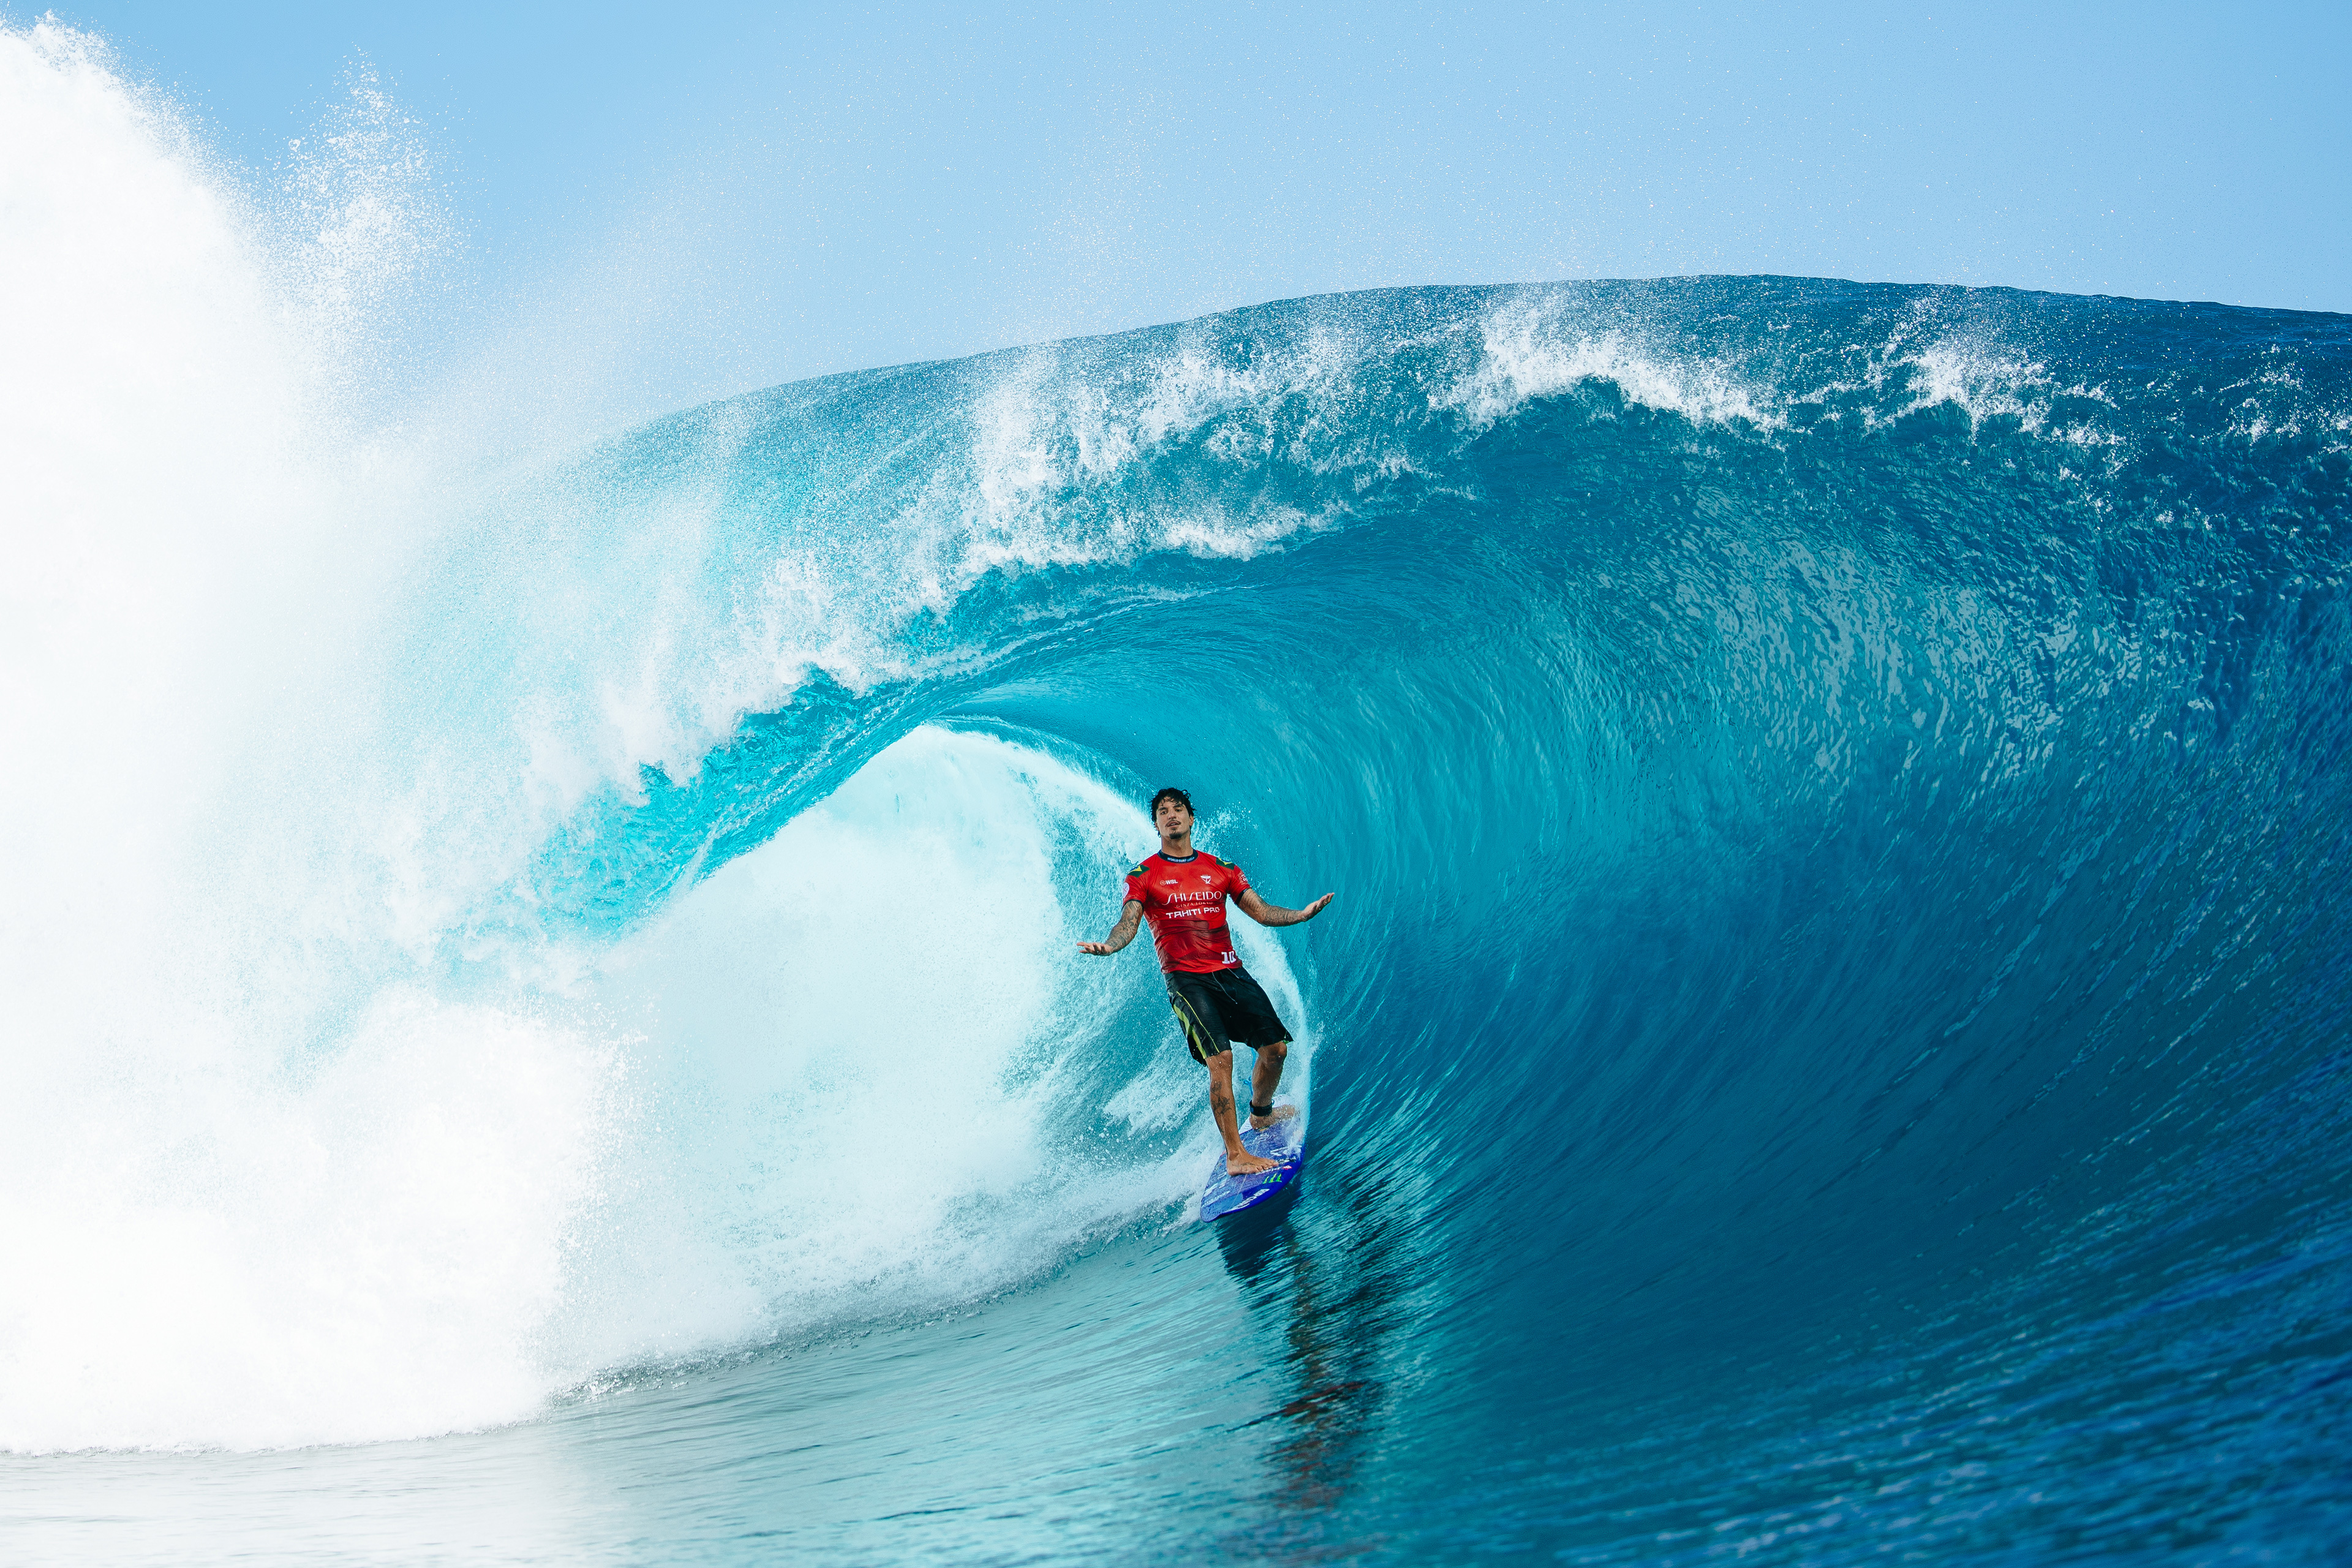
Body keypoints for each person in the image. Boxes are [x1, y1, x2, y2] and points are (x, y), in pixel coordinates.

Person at [1077, 787, 1334, 1176]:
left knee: (1276, 1050)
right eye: (1163, 812)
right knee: (1222, 1060)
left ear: (1191, 818)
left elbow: (1261, 911)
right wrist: (1111, 946)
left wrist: (1300, 915)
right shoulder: (1144, 875)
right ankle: (1236, 1155)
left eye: (1178, 809)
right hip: (1186, 980)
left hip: (1229, 971)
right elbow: (1128, 921)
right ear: (1157, 824)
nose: (1171, 815)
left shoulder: (1221, 868)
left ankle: (1261, 1114)